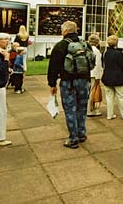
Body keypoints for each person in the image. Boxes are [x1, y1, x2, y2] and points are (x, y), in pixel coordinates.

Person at [47, 21, 91, 149]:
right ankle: (82, 133)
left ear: (65, 31)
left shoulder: (61, 46)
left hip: (68, 82)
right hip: (84, 81)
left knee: (70, 109)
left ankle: (73, 138)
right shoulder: (85, 44)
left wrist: (52, 83)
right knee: (82, 109)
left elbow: (53, 67)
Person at [101, 35, 123, 120]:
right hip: (118, 78)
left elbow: (103, 64)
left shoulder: (105, 53)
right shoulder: (118, 54)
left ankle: (110, 114)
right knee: (121, 96)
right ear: (116, 43)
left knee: (109, 97)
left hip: (107, 77)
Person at [86, 34, 104, 117]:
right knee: (92, 92)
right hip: (93, 74)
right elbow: (98, 65)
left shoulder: (86, 49)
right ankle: (90, 110)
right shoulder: (96, 51)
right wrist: (98, 77)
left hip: (86, 73)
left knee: (88, 91)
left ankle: (89, 109)